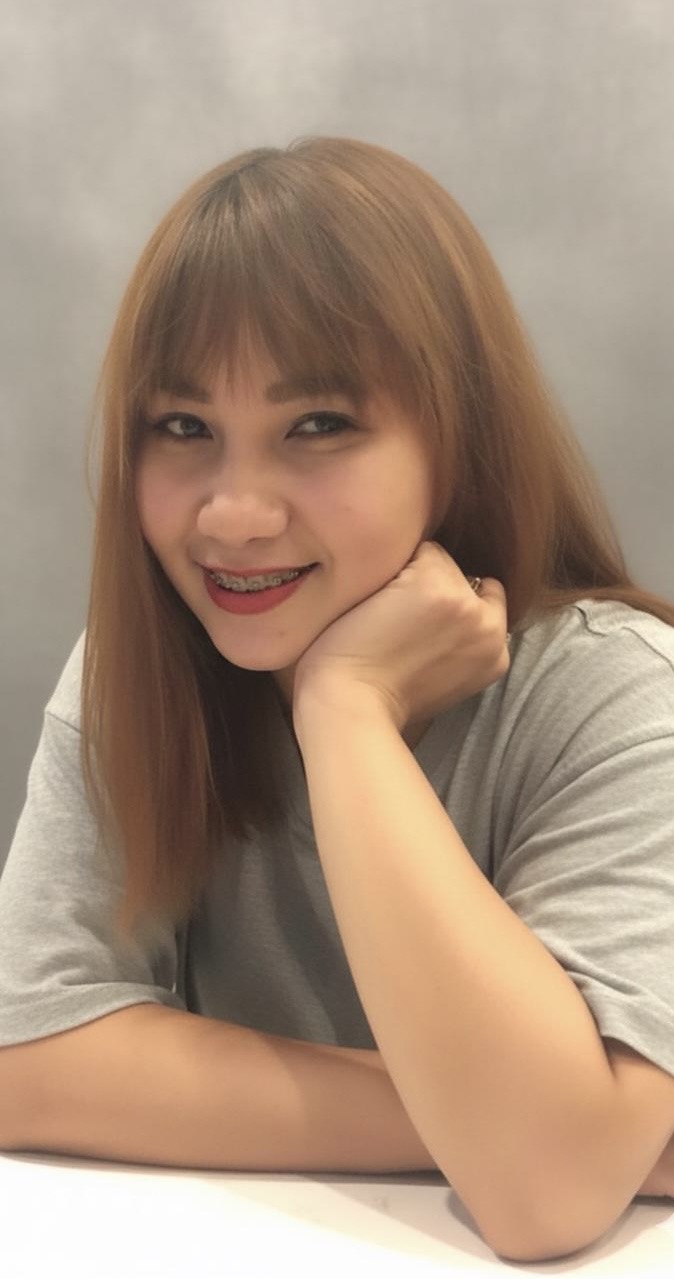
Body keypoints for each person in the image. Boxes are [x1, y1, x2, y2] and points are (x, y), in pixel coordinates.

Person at [1, 136, 673, 1263]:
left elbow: (541, 1200)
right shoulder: (140, 668)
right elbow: (25, 1060)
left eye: (317, 425)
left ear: (456, 439)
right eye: (183, 427)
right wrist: (512, 1120)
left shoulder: (616, 694)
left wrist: (345, 709)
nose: (234, 514)